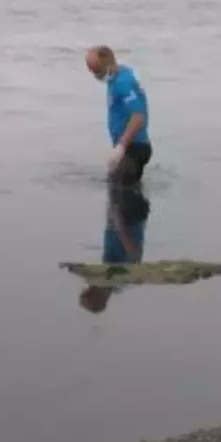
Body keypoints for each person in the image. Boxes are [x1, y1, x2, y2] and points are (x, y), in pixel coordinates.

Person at [85, 45, 151, 186]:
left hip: (134, 148)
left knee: (121, 199)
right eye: (90, 70)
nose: (94, 75)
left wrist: (121, 146)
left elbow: (138, 116)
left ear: (107, 64)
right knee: (118, 194)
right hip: (130, 147)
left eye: (96, 70)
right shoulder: (118, 76)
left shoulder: (123, 83)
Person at [80, 186, 151, 313]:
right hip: (130, 221)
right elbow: (135, 254)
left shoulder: (106, 276)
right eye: (90, 289)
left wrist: (112, 221)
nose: (90, 284)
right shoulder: (119, 280)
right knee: (126, 177)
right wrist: (119, 225)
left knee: (116, 177)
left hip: (116, 223)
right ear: (99, 294)